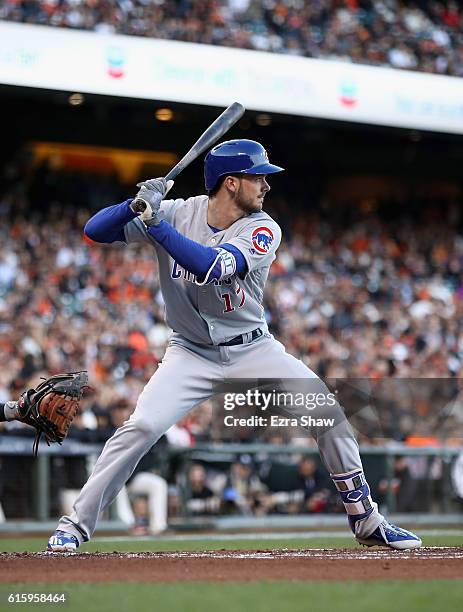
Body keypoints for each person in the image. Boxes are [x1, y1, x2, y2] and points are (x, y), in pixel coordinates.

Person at [47, 139, 421, 552]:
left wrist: (155, 226)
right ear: (230, 183)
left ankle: (367, 519)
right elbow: (94, 230)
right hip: (189, 352)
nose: (265, 185)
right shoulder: (176, 211)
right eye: (257, 177)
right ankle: (74, 527)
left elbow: (210, 267)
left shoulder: (262, 227)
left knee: (327, 412)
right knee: (142, 427)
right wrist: (133, 204)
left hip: (252, 350)